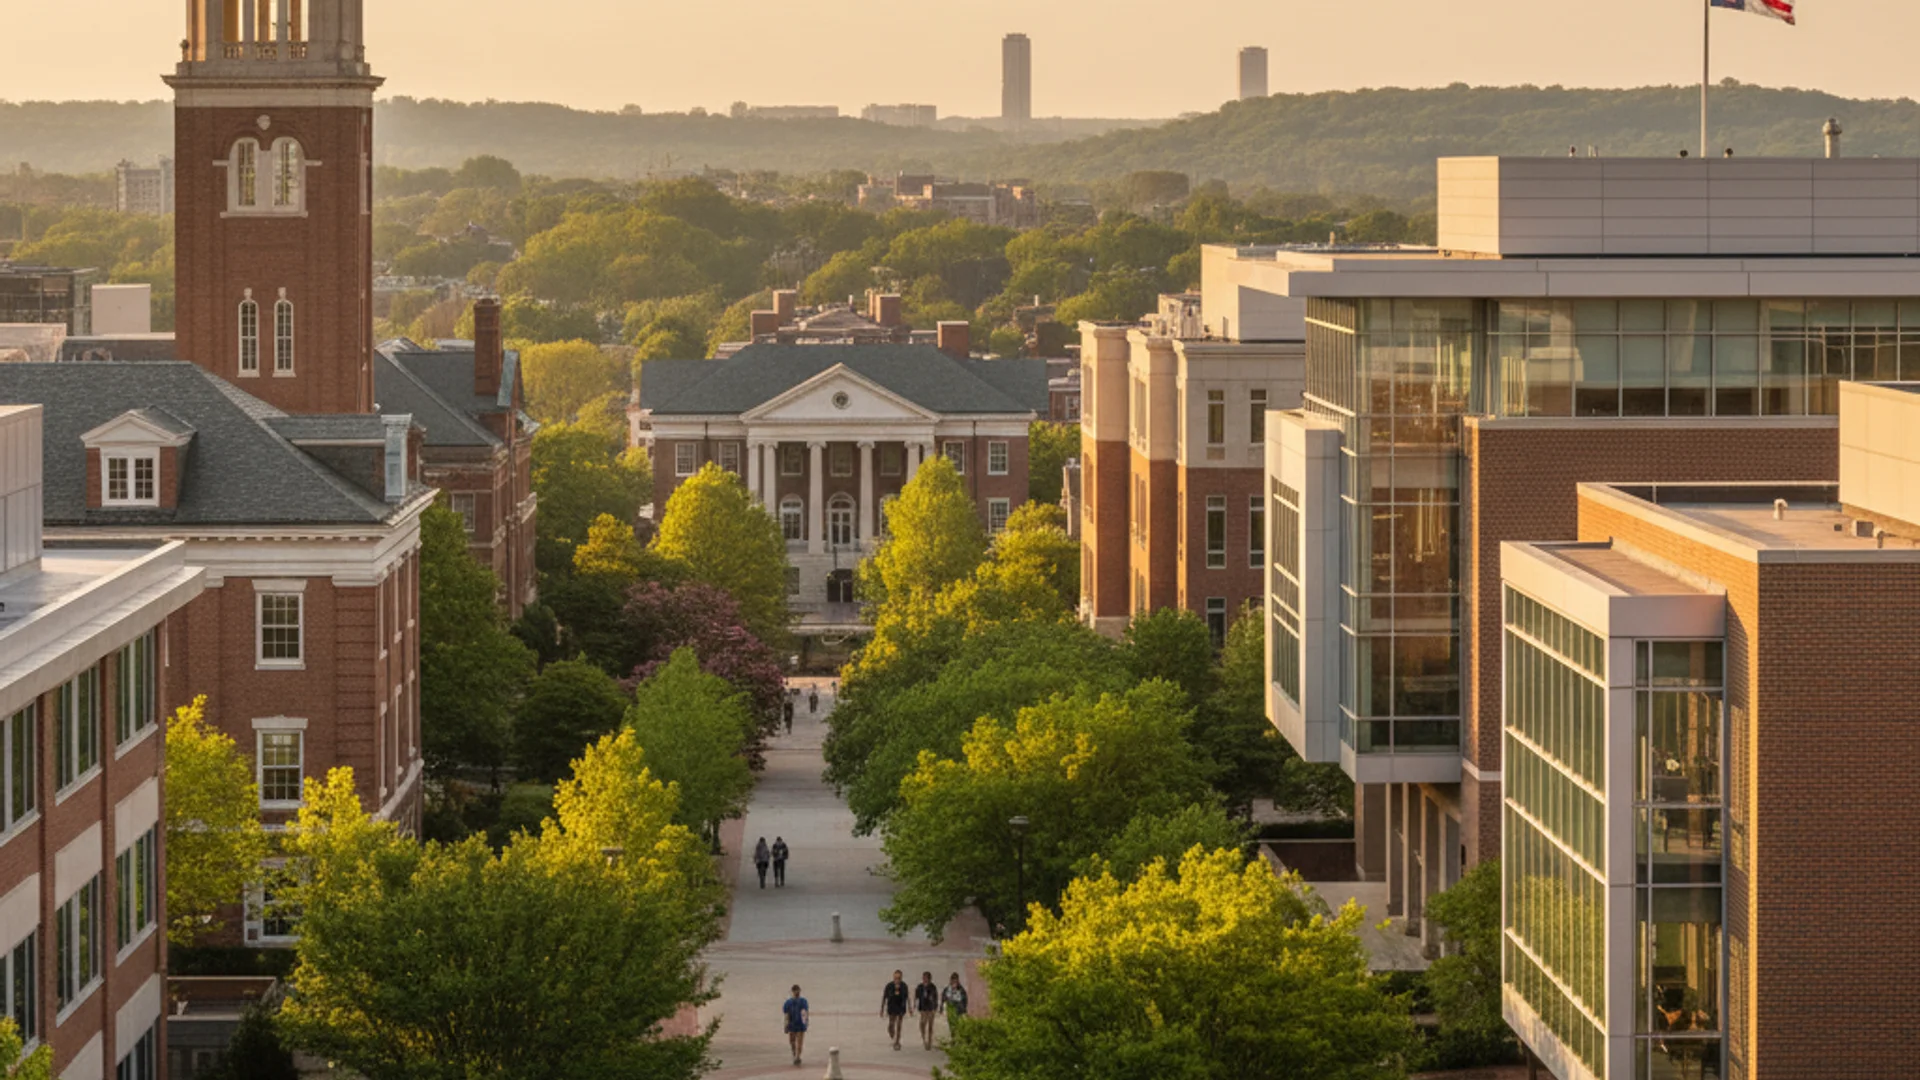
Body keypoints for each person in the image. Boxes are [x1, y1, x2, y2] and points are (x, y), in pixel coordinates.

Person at [881, 970, 910, 1050]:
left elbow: (907, 998)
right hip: (892, 1006)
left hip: (901, 1007)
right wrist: (882, 1009)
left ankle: (897, 1041)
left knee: (899, 1025)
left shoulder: (904, 986)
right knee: (891, 1023)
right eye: (896, 978)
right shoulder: (889, 986)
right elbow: (884, 997)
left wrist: (910, 1008)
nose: (897, 980)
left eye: (899, 978)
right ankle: (891, 1032)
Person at [782, 984, 810, 1066]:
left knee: (799, 1042)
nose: (797, 992)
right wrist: (786, 1025)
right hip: (792, 1024)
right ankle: (795, 1054)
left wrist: (805, 1023)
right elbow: (786, 1015)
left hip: (800, 1024)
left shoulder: (803, 1001)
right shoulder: (788, 1003)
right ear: (792, 992)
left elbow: (804, 1012)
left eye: (798, 990)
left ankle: (797, 1057)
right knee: (792, 1042)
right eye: (795, 991)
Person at [914, 971, 940, 1050]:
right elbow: (916, 996)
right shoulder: (920, 986)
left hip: (930, 1007)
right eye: (923, 978)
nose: (924, 979)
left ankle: (929, 1041)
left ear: (929, 979)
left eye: (926, 978)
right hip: (923, 1007)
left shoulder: (932, 987)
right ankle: (924, 1038)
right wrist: (914, 1004)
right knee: (923, 1023)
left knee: (930, 1025)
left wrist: (935, 1006)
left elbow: (935, 997)